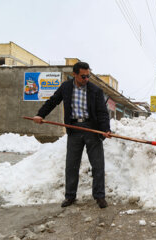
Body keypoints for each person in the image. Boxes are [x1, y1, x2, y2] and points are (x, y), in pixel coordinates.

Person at [33, 61, 111, 208]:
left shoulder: (95, 90)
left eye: (88, 76)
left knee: (98, 164)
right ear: (74, 74)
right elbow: (52, 101)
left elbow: (102, 112)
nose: (86, 79)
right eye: (83, 76)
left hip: (91, 129)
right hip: (73, 128)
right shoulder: (66, 87)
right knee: (71, 165)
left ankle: (99, 196)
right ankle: (70, 196)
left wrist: (106, 129)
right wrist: (40, 115)